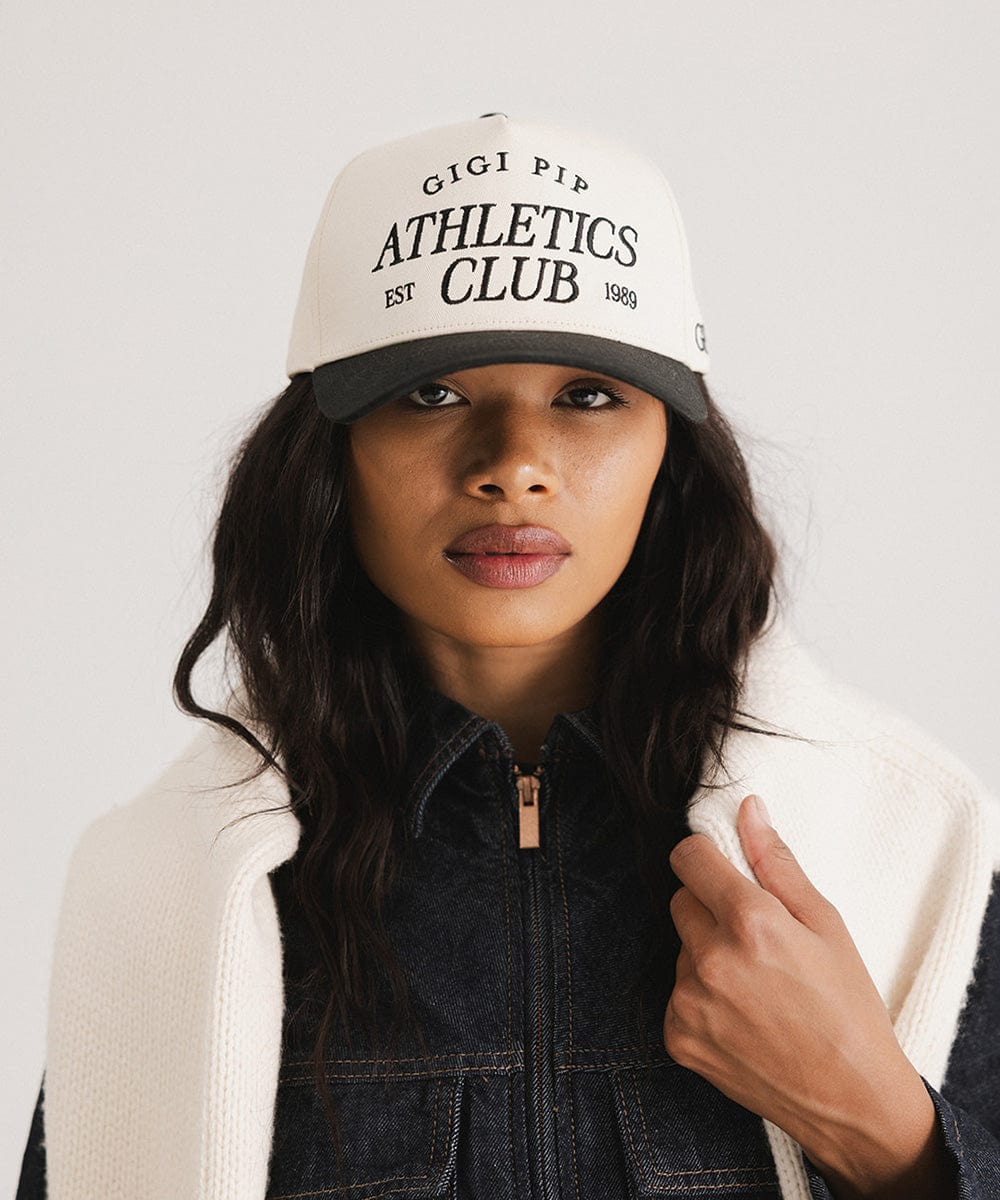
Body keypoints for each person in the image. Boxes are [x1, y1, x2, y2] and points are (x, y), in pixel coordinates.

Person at [16, 113, 1000, 1200]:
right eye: (429, 393)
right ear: (329, 450)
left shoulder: (906, 841)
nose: (514, 466)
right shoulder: (169, 888)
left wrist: (881, 1125)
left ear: (671, 445)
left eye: (588, 396)